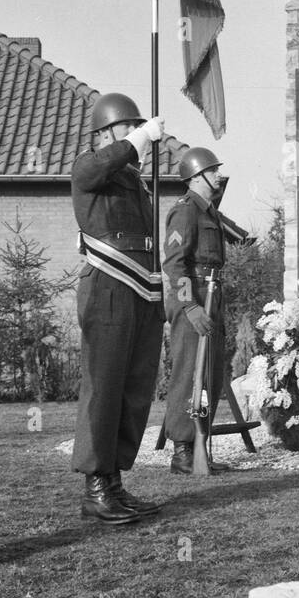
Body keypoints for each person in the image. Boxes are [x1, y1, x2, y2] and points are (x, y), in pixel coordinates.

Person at [71, 93, 166, 524]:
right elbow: (95, 170)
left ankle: (113, 483)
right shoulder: (89, 166)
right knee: (105, 385)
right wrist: (139, 140)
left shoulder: (134, 181)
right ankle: (94, 487)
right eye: (128, 127)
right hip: (108, 284)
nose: (137, 134)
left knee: (133, 388)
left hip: (138, 285)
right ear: (106, 132)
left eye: (138, 127)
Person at [162, 146, 231, 475]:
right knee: (189, 372)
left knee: (209, 376)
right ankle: (182, 452)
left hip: (212, 295)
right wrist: (189, 306)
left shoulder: (210, 211)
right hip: (194, 295)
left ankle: (200, 447)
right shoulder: (186, 211)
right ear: (196, 176)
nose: (218, 174)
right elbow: (175, 265)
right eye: (213, 170)